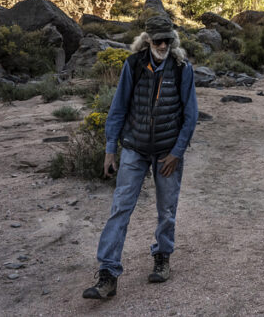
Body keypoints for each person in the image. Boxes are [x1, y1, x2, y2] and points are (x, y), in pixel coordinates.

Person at [82, 15, 199, 300]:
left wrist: (176, 153)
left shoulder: (182, 67)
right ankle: (108, 274)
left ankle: (162, 257)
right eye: (158, 40)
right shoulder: (133, 64)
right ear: (147, 40)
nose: (163, 45)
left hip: (167, 151)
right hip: (134, 148)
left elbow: (190, 115)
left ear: (173, 40)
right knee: (120, 208)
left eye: (167, 40)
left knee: (166, 209)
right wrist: (110, 149)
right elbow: (118, 108)